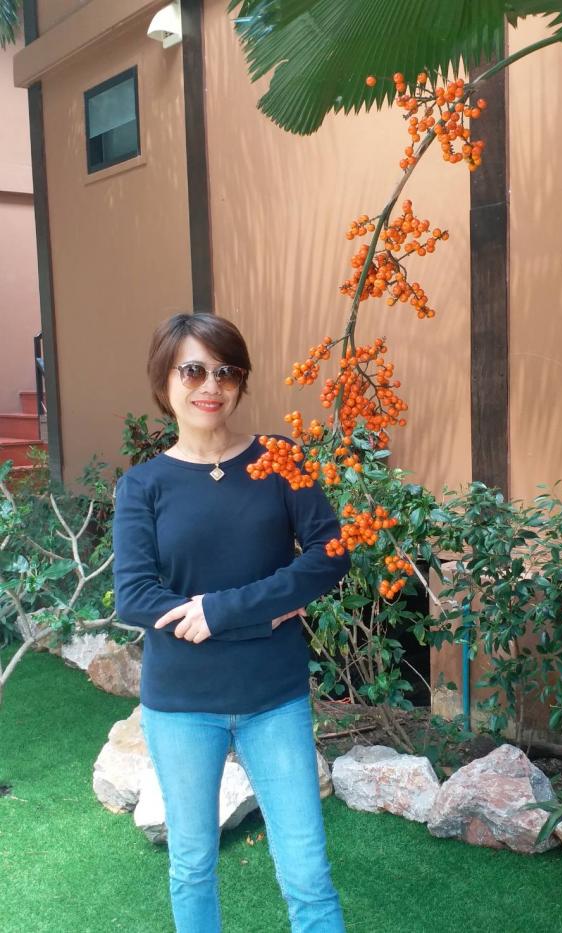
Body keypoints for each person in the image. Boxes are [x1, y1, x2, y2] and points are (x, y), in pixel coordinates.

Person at [113, 312, 351, 933]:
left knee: (308, 873)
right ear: (165, 380)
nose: (210, 386)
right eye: (193, 370)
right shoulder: (143, 486)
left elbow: (329, 555)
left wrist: (219, 611)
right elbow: (134, 596)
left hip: (274, 697)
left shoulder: (279, 459)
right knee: (193, 866)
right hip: (182, 704)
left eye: (227, 371)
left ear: (242, 381)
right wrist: (270, 608)